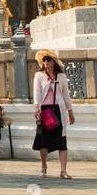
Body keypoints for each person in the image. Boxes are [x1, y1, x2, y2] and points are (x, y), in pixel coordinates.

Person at [32, 49, 74, 180]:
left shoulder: (61, 77)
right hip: (46, 110)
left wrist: (70, 111)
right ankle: (43, 168)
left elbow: (66, 95)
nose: (46, 62)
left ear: (54, 62)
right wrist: (37, 108)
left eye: (48, 60)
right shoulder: (39, 76)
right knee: (44, 140)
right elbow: (37, 92)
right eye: (44, 60)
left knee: (62, 141)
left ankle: (63, 171)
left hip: (58, 110)